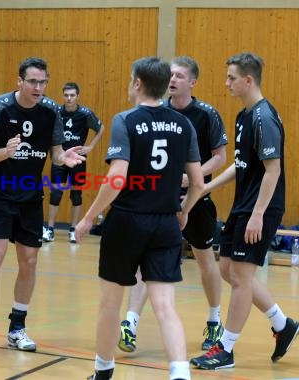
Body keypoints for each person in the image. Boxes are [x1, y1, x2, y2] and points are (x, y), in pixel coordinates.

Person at [74, 56, 204, 380]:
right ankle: (179, 373)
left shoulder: (125, 120)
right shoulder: (183, 124)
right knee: (165, 306)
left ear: (137, 83)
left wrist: (89, 217)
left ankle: (103, 372)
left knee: (110, 304)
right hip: (165, 224)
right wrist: (183, 211)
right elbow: (198, 182)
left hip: (128, 221)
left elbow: (117, 177)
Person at [191, 53, 299, 370]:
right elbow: (241, 167)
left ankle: (225, 349)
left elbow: (273, 171)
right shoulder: (244, 116)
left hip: (260, 209)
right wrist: (206, 187)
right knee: (227, 269)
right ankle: (283, 324)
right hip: (244, 205)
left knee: (240, 277)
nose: (226, 83)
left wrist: (257, 215)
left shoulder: (263, 118)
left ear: (248, 80)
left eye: (231, 78)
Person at [0, 57, 85, 354]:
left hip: (30, 197)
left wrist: (65, 158)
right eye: (32, 81)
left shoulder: (51, 111)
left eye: (43, 82)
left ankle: (16, 328)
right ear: (19, 81)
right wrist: (4, 152)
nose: (38, 87)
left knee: (30, 262)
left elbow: (57, 153)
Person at [118, 56, 228, 354]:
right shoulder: (158, 110)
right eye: (170, 75)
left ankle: (214, 319)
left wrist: (195, 176)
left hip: (197, 197)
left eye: (179, 75)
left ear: (192, 81)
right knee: (145, 261)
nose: (173, 79)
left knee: (205, 260)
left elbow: (221, 156)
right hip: (161, 200)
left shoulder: (206, 114)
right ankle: (130, 323)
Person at [42, 82, 104, 243]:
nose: (69, 98)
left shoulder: (85, 114)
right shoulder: (57, 112)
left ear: (77, 96)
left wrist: (90, 147)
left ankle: (73, 229)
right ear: (63, 96)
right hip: (60, 157)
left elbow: (101, 128)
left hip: (77, 159)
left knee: (76, 194)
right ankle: (49, 229)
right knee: (55, 193)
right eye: (66, 95)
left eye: (72, 95)